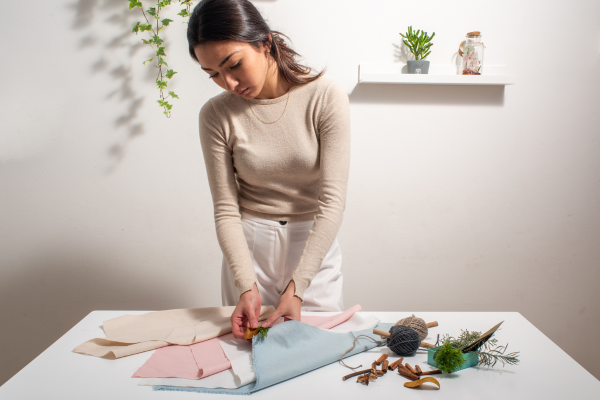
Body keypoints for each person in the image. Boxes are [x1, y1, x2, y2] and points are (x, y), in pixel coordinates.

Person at [187, 0, 351, 339]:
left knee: (315, 356)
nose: (228, 83)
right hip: (250, 250)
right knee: (248, 358)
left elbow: (332, 203)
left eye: (233, 64)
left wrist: (298, 286)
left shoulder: (325, 97)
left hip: (312, 248)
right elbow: (226, 209)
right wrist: (245, 284)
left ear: (265, 42)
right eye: (213, 74)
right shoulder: (216, 115)